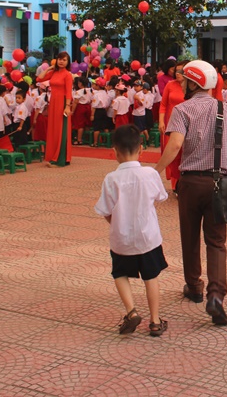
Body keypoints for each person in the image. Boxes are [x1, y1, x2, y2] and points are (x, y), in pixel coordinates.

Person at [155, 60, 227, 326]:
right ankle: (216, 295)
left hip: (192, 183)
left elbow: (175, 144)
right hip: (220, 182)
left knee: (190, 237)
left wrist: (155, 170)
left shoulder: (182, 110)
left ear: (194, 83)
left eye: (184, 80)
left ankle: (194, 287)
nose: (181, 84)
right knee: (216, 242)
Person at [95, 125, 168, 336]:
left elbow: (105, 210)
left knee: (119, 273)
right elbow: (159, 198)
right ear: (141, 150)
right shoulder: (150, 174)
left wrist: (118, 223)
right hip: (148, 237)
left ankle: (131, 311)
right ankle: (155, 321)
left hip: (122, 239)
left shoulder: (111, 179)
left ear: (115, 151)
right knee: (151, 276)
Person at [41, 52, 73, 167]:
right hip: (53, 102)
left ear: (68, 62)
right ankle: (52, 156)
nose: (61, 61)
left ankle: (60, 159)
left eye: (64, 60)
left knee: (61, 130)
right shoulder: (53, 73)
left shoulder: (67, 75)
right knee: (53, 129)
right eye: (60, 59)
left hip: (63, 102)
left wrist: (67, 106)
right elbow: (39, 78)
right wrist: (49, 68)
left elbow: (68, 92)